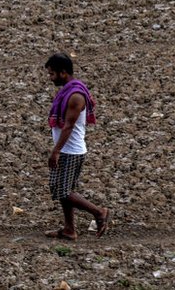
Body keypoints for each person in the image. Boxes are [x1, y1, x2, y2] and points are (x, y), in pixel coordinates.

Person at [44, 52, 110, 240]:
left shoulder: (75, 96)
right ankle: (69, 229)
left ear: (63, 72)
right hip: (66, 149)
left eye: (52, 74)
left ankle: (99, 212)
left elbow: (69, 126)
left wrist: (55, 151)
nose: (50, 78)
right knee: (61, 190)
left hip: (70, 151)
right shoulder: (68, 90)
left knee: (63, 191)